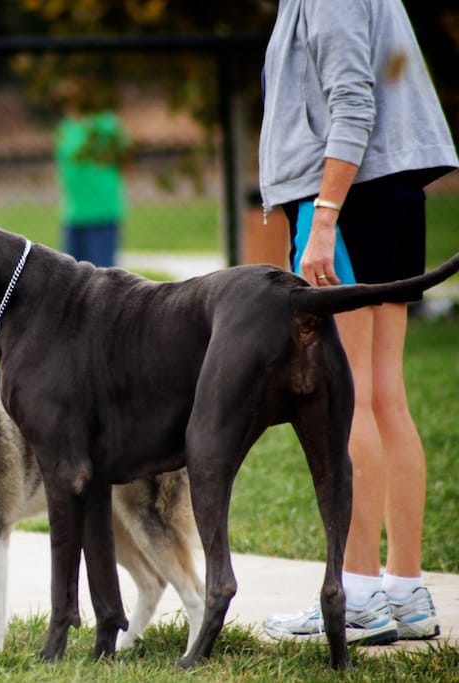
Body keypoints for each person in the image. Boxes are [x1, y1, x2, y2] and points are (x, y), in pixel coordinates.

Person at [258, 0, 458, 645]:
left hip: (348, 201)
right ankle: (404, 593)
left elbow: (354, 101)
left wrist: (323, 217)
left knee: (349, 402)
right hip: (383, 196)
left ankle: (361, 594)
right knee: (384, 396)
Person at [55, 81, 129, 268]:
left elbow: (126, 160)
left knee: (101, 277)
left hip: (102, 213)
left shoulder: (107, 126)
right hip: (73, 214)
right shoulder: (66, 128)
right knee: (69, 276)